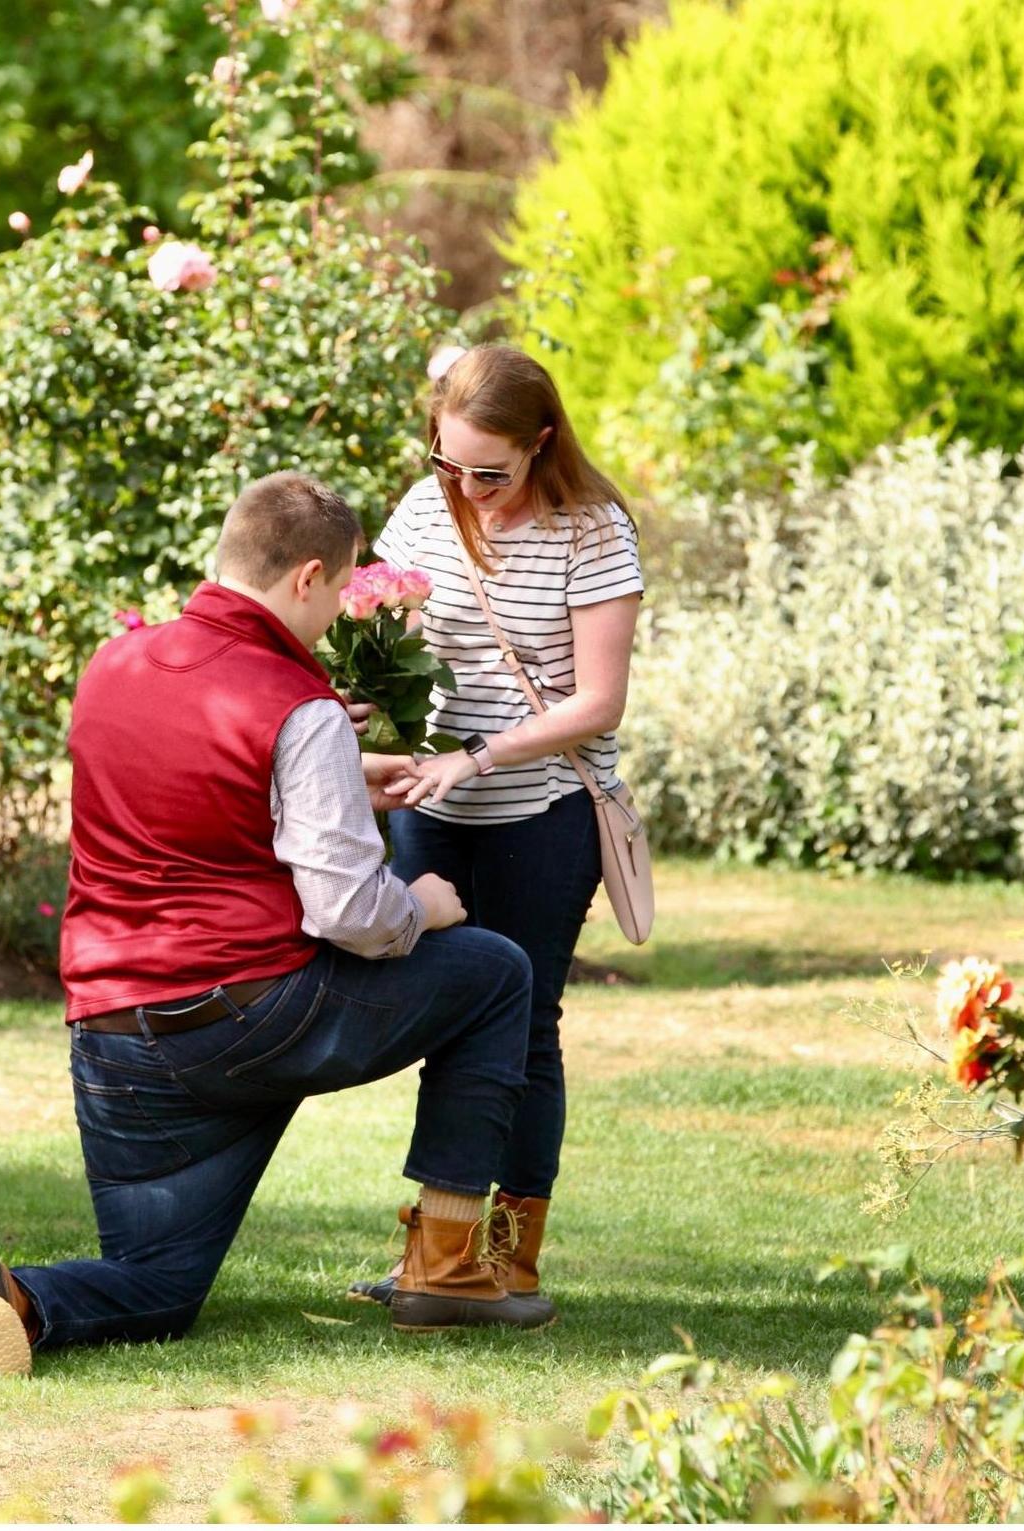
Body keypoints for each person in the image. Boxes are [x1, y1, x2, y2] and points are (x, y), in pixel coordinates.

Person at [0, 470, 554, 1376]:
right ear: (307, 577)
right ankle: (447, 1267)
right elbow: (344, 912)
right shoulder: (295, 706)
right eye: (340, 590)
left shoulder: (113, 665)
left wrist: (345, 768)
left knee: (158, 1284)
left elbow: (197, 789)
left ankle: (21, 1299)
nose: (338, 610)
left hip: (116, 1036)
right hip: (253, 1015)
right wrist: (418, 907)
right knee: (493, 969)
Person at [349, 345, 643, 1309]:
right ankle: (440, 1251)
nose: (468, 490)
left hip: (540, 810)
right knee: (452, 1009)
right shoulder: (425, 506)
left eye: (491, 472)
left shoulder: (591, 529)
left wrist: (473, 758)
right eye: (450, 464)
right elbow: (385, 625)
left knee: (524, 1026)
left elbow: (598, 702)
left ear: (540, 446)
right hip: (431, 805)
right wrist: (364, 709)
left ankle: (507, 1256)